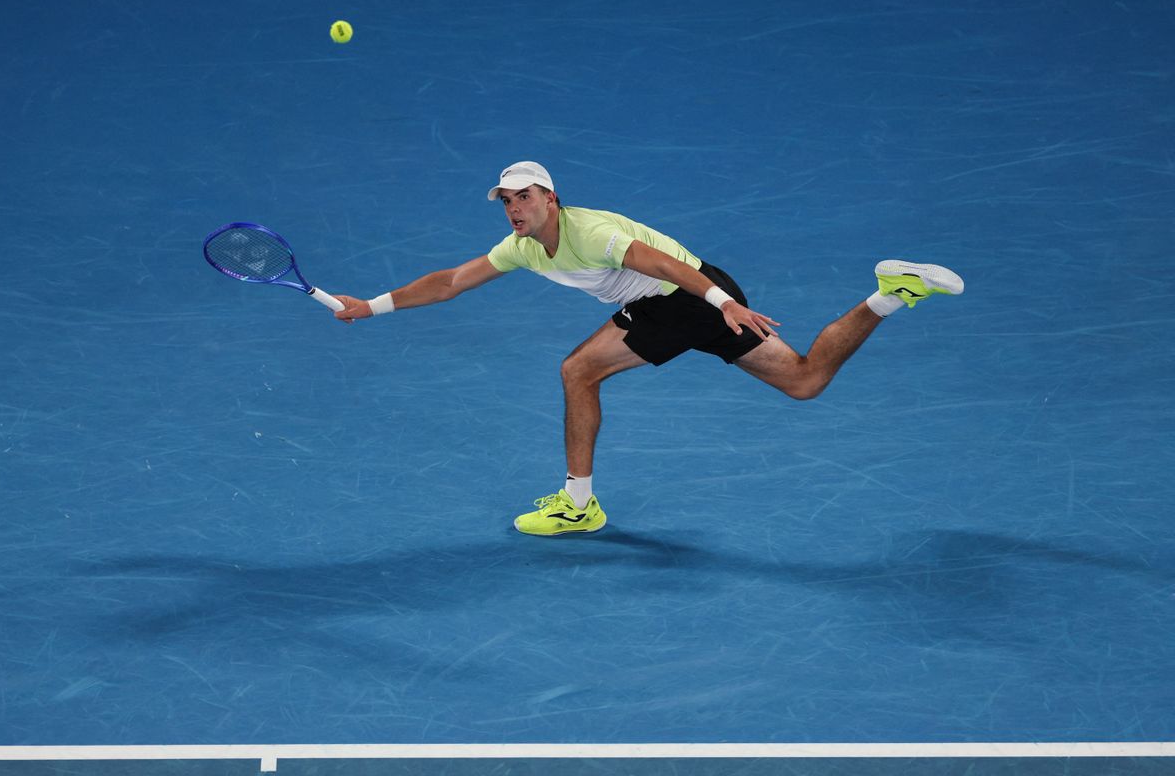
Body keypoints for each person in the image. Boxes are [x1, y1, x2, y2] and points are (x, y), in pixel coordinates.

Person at [332, 161, 963, 536]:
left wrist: (722, 303)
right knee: (804, 380)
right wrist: (372, 304)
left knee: (578, 369)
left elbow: (659, 262)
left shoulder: (592, 231)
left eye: (523, 196)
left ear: (551, 198)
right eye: (506, 200)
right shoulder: (523, 249)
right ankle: (890, 295)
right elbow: (449, 282)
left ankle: (579, 506)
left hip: (690, 296)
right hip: (703, 294)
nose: (513, 208)